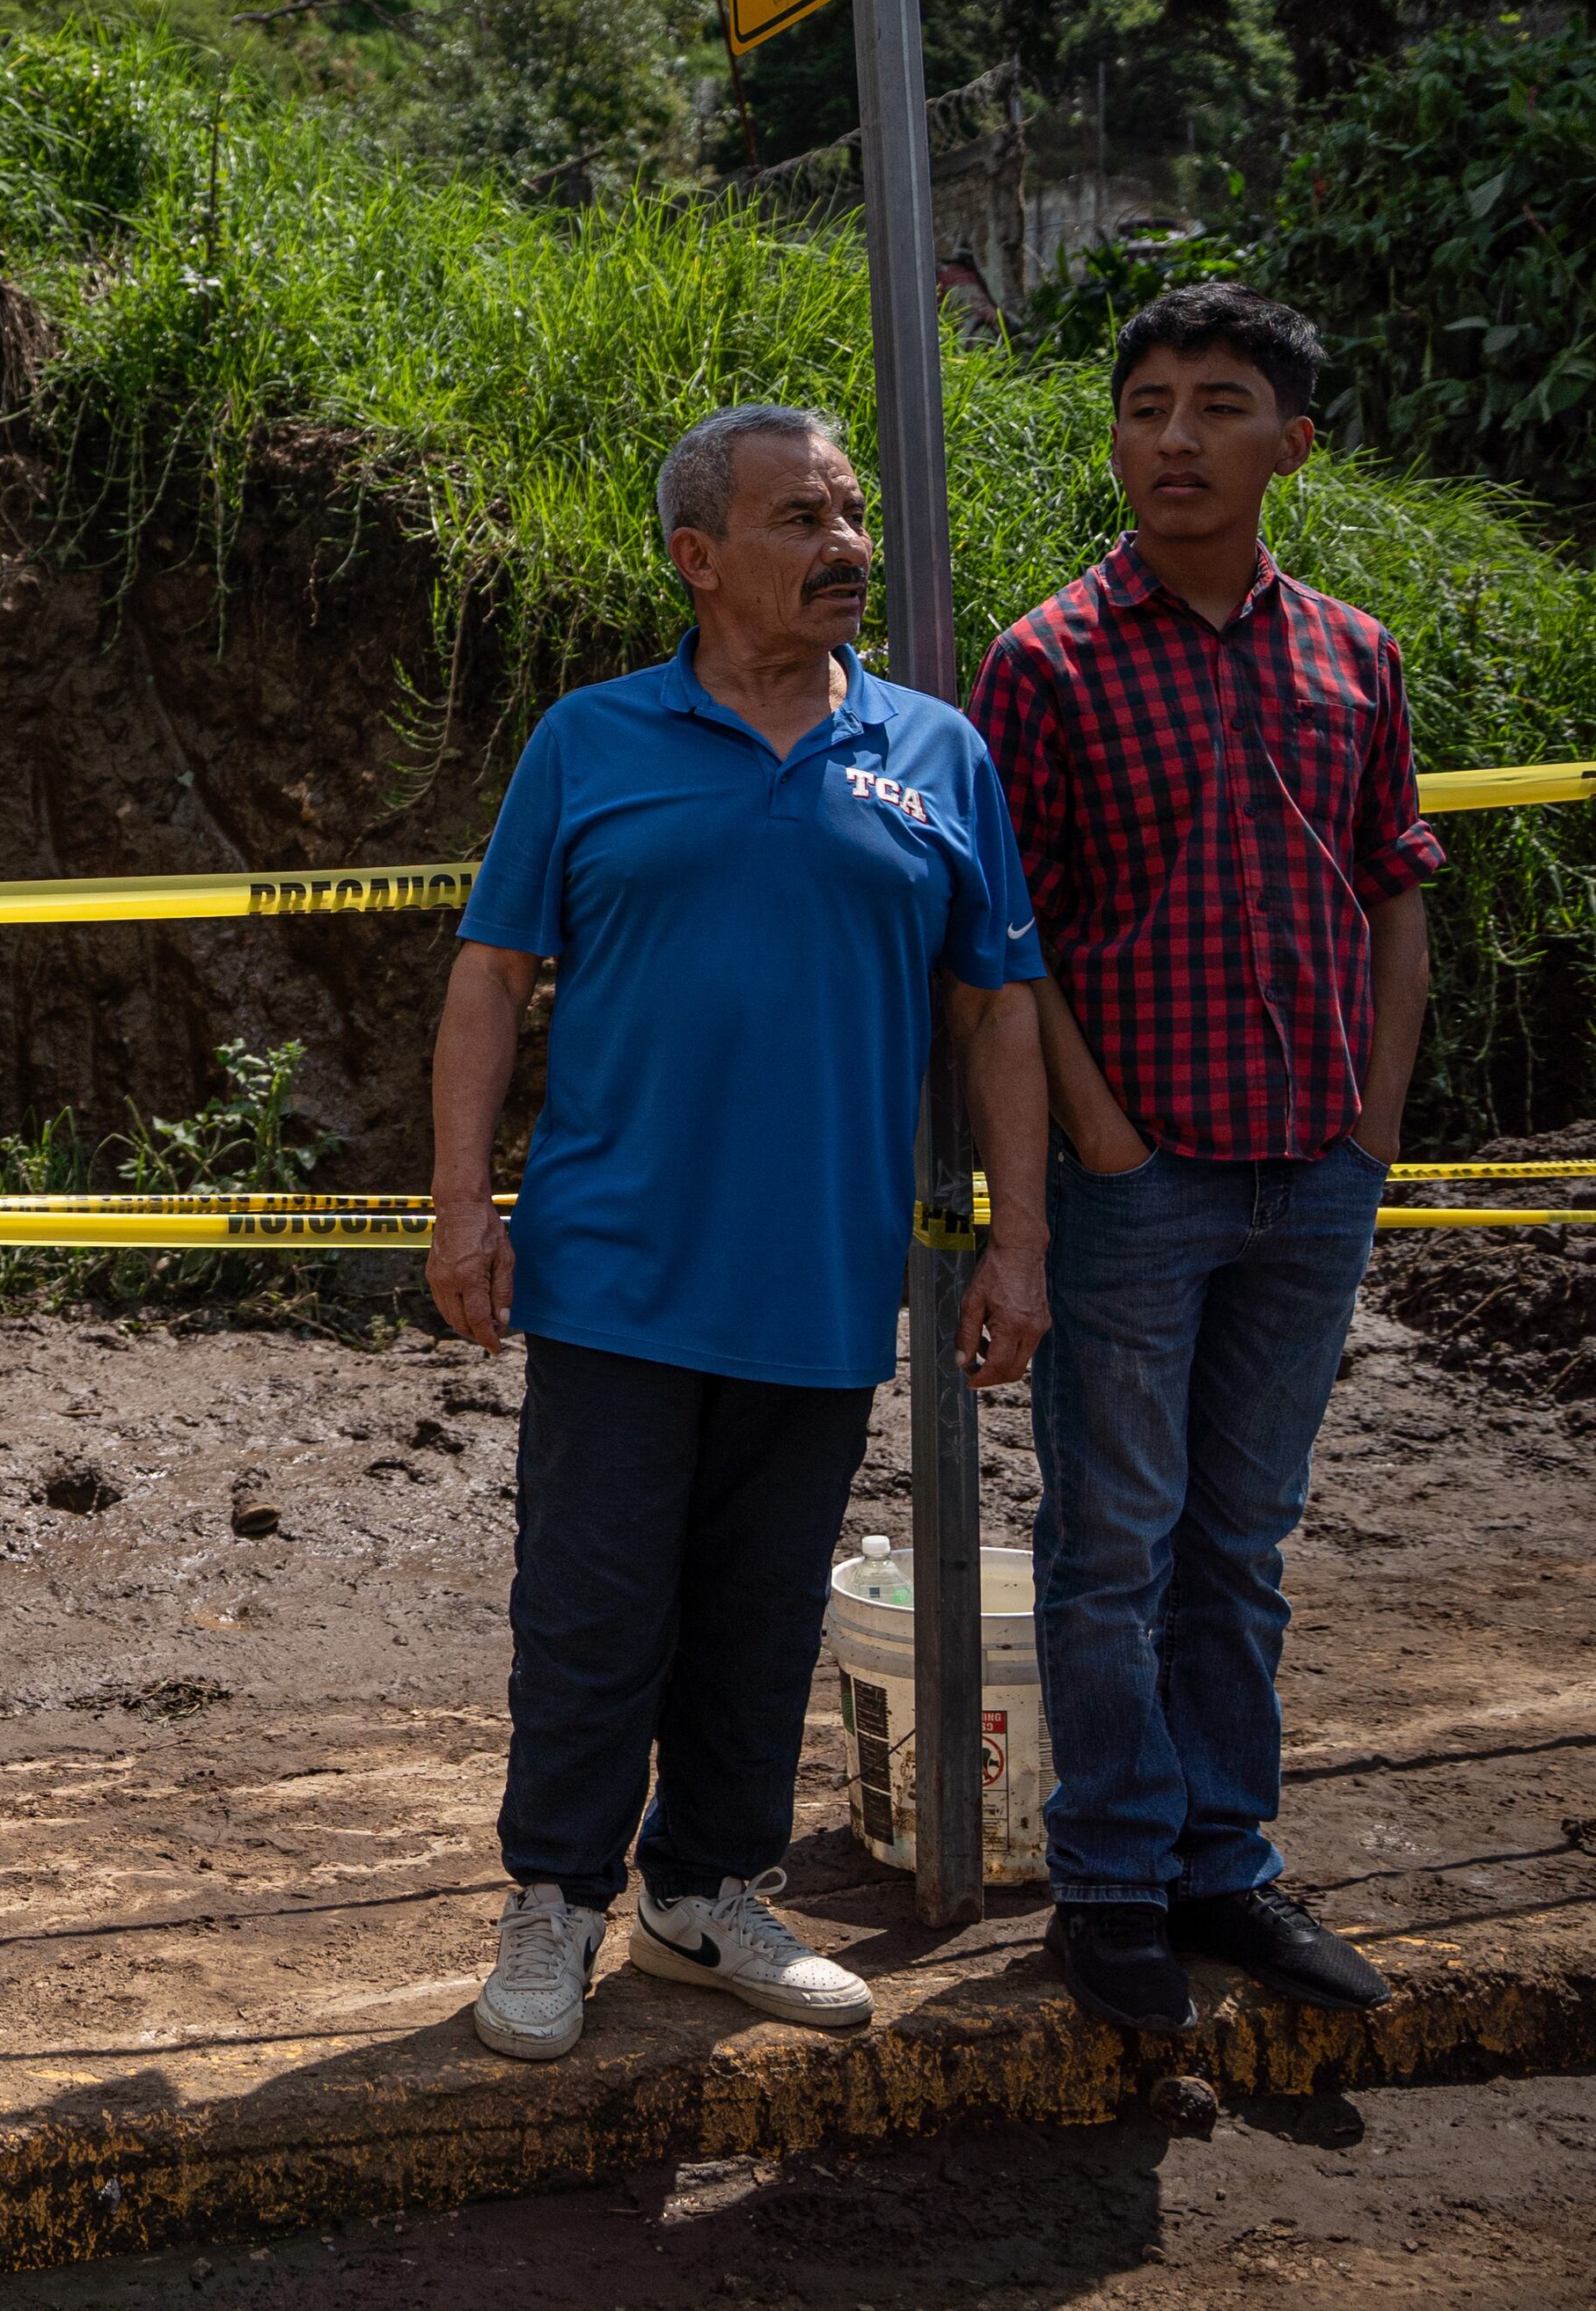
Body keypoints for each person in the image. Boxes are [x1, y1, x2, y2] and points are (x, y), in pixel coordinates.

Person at [428, 402, 1054, 2063]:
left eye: (851, 516)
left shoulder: (939, 753)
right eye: (801, 520)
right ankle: (554, 1899)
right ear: (701, 560)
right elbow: (490, 979)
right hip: (618, 1265)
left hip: (825, 1276)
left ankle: (704, 1891)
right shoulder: (590, 740)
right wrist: (461, 1205)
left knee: (764, 1604)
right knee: (593, 1601)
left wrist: (1019, 1242)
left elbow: (1000, 1011)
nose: (846, 547)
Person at [968, 283, 1436, 2034]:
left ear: (1287, 443)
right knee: (1116, 1540)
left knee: (1242, 1538)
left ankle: (1222, 1864)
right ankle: (1107, 1884)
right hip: (1139, 1176)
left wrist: (1373, 1124)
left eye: (1215, 403)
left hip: (1311, 1169)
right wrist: (1097, 1130)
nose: (1171, 435)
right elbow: (1005, 938)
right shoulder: (1048, 659)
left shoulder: (1352, 653)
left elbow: (1395, 891)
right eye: (1144, 403)